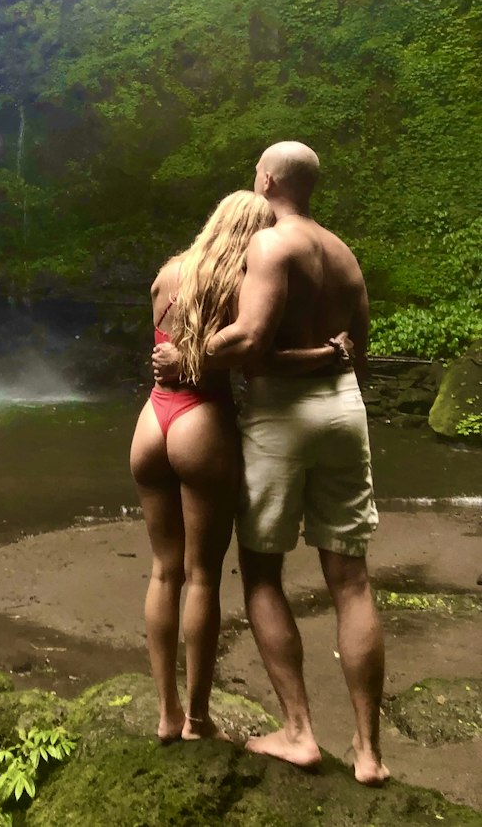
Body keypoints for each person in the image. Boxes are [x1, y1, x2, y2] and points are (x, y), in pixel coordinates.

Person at [197, 141, 388, 786]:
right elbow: (357, 350)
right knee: (351, 580)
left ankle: (300, 732)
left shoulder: (270, 245)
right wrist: (333, 377)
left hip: (283, 415)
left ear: (266, 178)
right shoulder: (343, 253)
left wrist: (195, 343)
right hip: (346, 410)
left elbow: (249, 341)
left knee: (261, 571)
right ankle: (369, 753)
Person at [131, 191, 347, 743]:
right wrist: (328, 353)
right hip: (201, 420)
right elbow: (253, 356)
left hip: (152, 421)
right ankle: (197, 722)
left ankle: (165, 714)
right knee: (202, 576)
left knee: (163, 570)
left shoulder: (169, 274)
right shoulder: (238, 287)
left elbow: (163, 345)